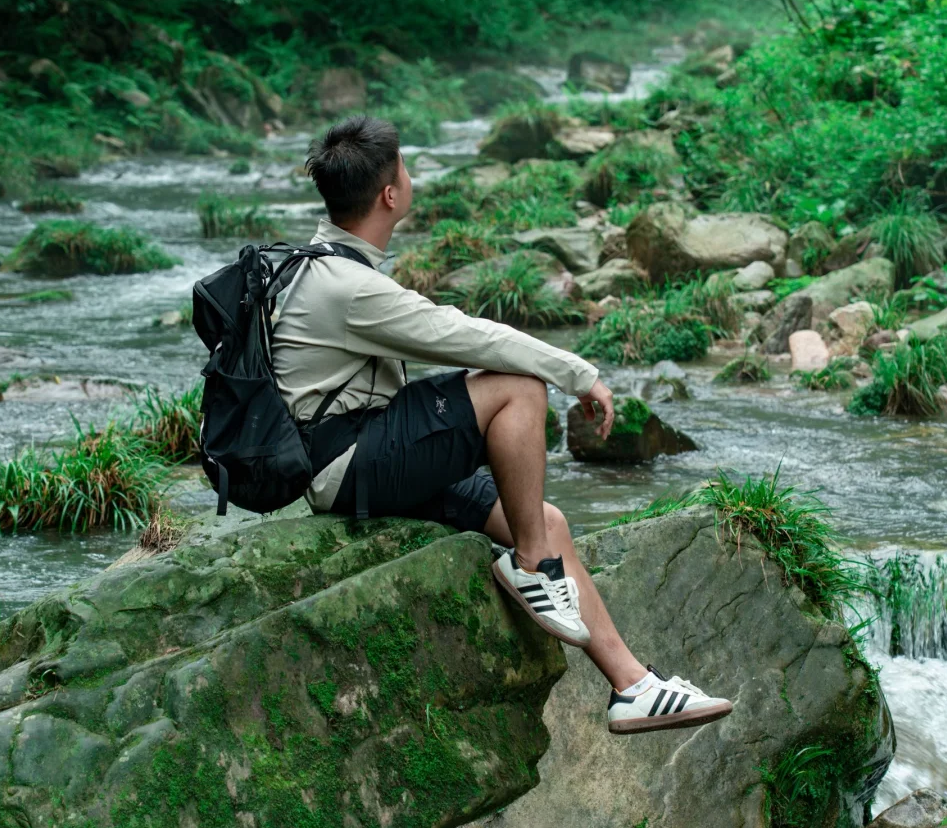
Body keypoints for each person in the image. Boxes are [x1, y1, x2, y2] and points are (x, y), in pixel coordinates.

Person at [272, 114, 731, 734]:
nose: (410, 176)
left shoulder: (319, 259)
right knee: (518, 387)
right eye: (404, 167)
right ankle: (532, 567)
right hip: (348, 463)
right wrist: (578, 373)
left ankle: (632, 686)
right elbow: (465, 338)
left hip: (362, 448)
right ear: (389, 194)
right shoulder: (346, 286)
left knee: (544, 518)